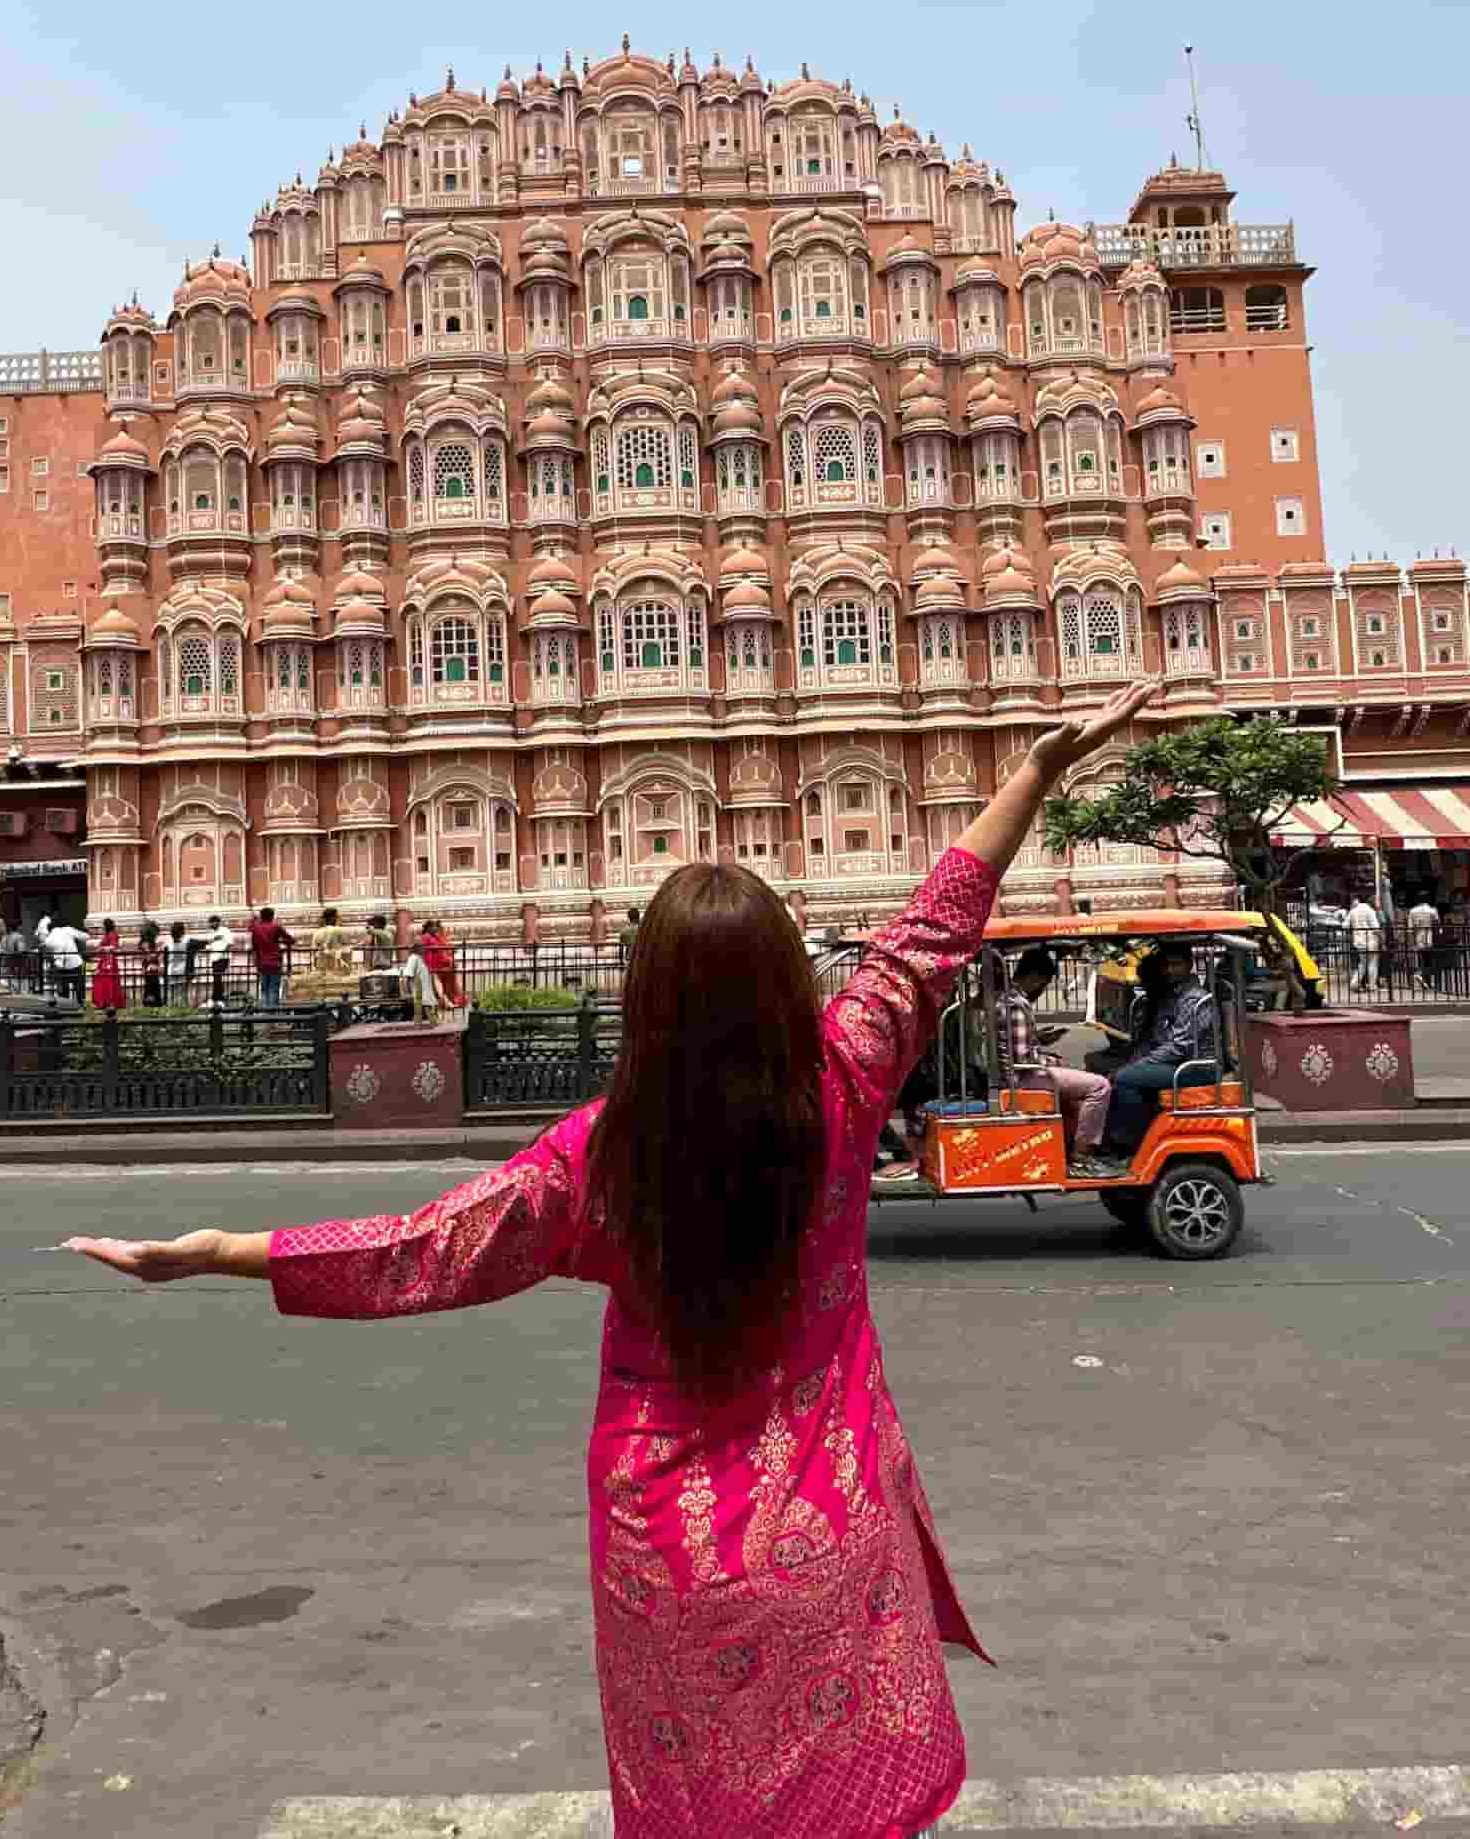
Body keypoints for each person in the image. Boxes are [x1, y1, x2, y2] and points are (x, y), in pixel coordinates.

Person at [64, 677, 1157, 1839]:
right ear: (790, 982)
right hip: (829, 1530)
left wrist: (219, 1251)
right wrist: (1036, 769)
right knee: (848, 1803)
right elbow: (932, 929)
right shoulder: (840, 1086)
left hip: (666, 1551)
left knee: (697, 1806)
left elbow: (419, 1251)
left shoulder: (600, 1160)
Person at [997, 946, 1115, 1173]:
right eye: (1043, 983)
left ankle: (1072, 1144)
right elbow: (1023, 1058)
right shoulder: (1016, 1005)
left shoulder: (1010, 999)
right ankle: (1082, 1155)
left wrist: (1042, 1042)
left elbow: (1019, 1046)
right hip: (1023, 1077)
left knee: (1080, 1079)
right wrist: (1050, 1060)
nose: (1042, 989)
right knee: (1100, 1086)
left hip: (1019, 1073)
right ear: (1034, 977)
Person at [1101, 943, 1218, 1159]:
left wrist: (1139, 1065)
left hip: (1195, 1067)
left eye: (1176, 964)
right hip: (1176, 1062)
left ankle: (1129, 1146)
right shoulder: (1171, 995)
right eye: (1168, 965)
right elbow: (1157, 1038)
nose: (1171, 970)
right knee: (1115, 1072)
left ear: (1189, 965)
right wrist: (1138, 1060)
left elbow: (1179, 1047)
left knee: (1126, 1078)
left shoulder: (1193, 999)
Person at [248, 906, 294, 1009]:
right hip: (275, 961)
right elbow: (291, 940)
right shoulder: (276, 926)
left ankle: (265, 1013)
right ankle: (273, 1014)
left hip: (261, 962)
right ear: (272, 916)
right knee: (274, 988)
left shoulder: (255, 929)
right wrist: (279, 942)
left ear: (261, 916)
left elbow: (254, 946)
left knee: (264, 988)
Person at [44, 915, 88, 1006]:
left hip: (61, 967)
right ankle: (81, 1005)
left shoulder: (48, 939)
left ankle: (66, 1007)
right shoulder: (68, 930)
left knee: (63, 990)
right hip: (75, 963)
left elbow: (48, 953)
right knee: (79, 988)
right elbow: (84, 937)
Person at [1347, 891, 1382, 992]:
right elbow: (1376, 928)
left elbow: (1345, 925)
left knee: (1362, 964)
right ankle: (1372, 985)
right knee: (1373, 963)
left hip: (1358, 941)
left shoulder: (1353, 911)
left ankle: (1354, 983)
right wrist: (1382, 939)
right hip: (1370, 941)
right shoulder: (1370, 911)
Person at [401, 933, 439, 1022]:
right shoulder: (413, 959)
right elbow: (405, 978)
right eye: (421, 945)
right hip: (421, 1002)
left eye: (423, 945)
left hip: (427, 1001)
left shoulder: (420, 960)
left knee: (431, 1023)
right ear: (416, 948)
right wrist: (408, 994)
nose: (424, 947)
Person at [90, 918, 126, 1011]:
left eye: (103, 926)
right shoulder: (107, 935)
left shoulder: (113, 934)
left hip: (109, 960)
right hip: (104, 960)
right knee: (100, 979)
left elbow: (114, 947)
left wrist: (102, 948)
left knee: (108, 980)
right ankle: (103, 1001)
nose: (102, 928)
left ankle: (110, 1002)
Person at [1408, 894, 1440, 992]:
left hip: (1418, 937)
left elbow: (1410, 929)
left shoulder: (1412, 911)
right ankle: (1427, 981)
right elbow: (1437, 924)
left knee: (1419, 960)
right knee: (1428, 961)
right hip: (1429, 937)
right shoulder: (1432, 910)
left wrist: (1411, 943)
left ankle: (1420, 978)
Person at [201, 915, 232, 1006]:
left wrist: (222, 953)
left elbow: (229, 943)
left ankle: (217, 997)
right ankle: (218, 997)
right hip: (214, 958)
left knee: (217, 977)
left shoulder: (225, 931)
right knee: (216, 977)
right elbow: (208, 945)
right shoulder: (210, 933)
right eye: (210, 923)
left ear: (217, 922)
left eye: (212, 922)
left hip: (223, 958)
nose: (211, 924)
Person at [165, 921, 191, 1006]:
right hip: (182, 971)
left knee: (172, 996)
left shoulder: (168, 945)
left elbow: (165, 959)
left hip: (171, 971)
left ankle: (172, 1013)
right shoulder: (185, 945)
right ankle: (183, 1013)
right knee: (182, 996)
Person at [139, 923, 165, 1008]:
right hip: (150, 969)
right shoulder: (145, 944)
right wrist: (158, 951)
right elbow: (148, 957)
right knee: (150, 988)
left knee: (153, 988)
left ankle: (153, 1004)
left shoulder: (150, 943)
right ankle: (151, 1004)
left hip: (153, 970)